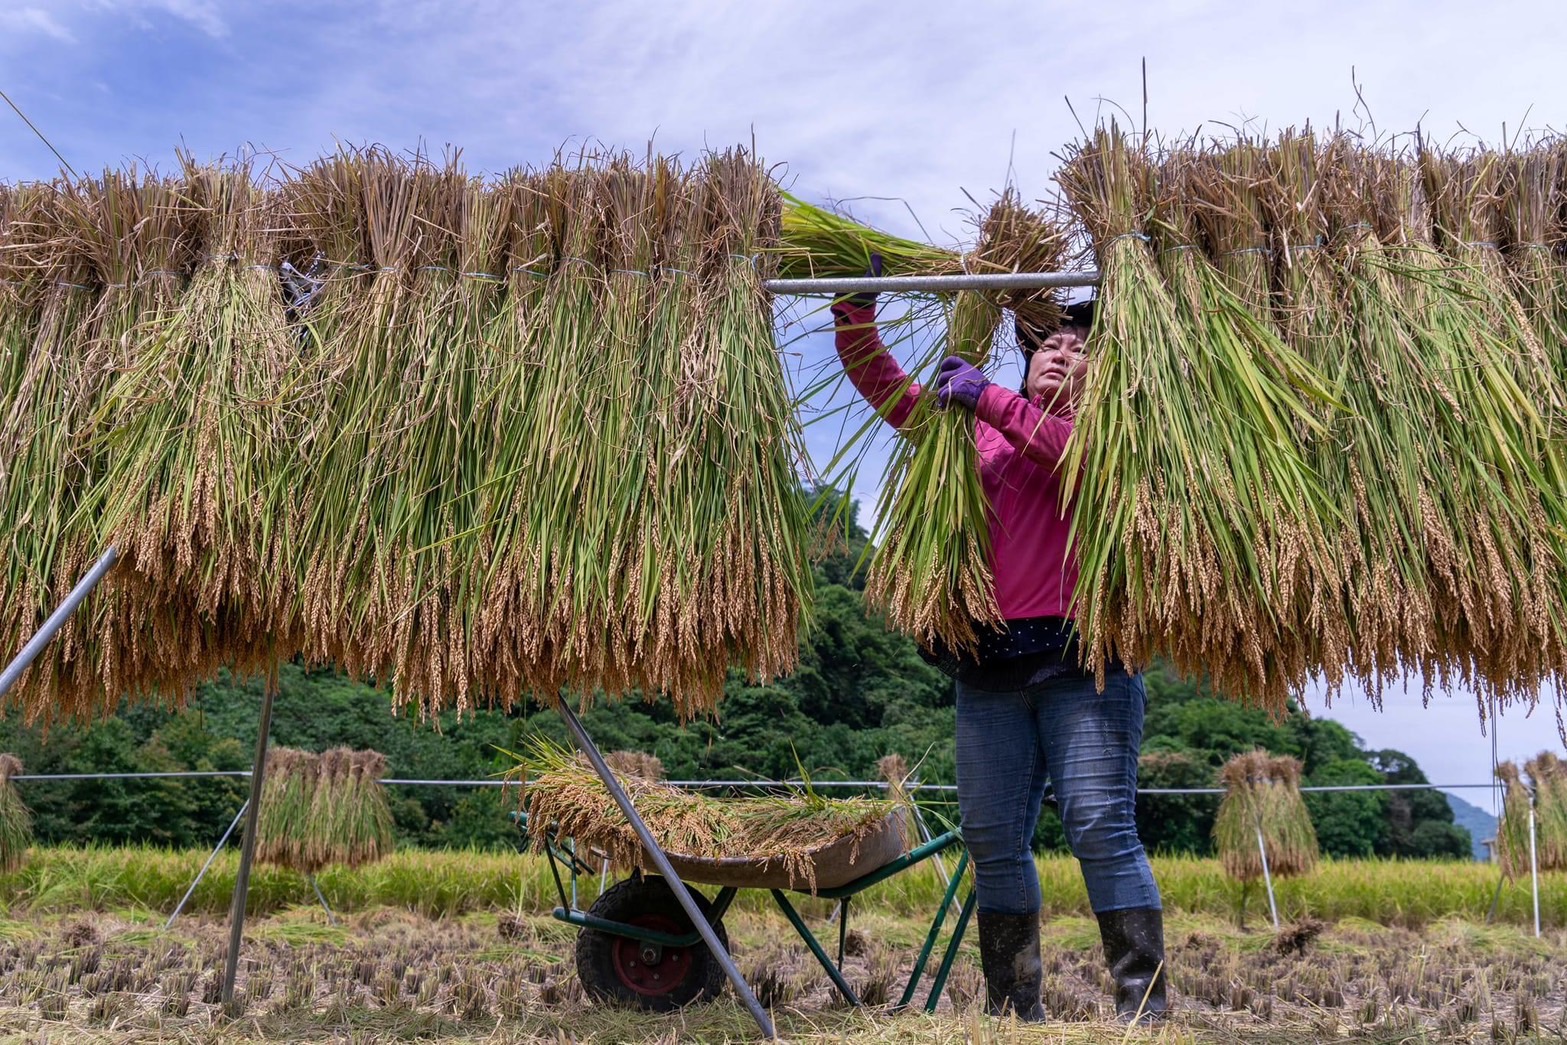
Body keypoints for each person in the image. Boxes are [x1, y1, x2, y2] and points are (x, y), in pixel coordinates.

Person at [830, 272, 1167, 1024]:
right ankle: (1014, 1010)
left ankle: (1141, 1012)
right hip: (988, 666)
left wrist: (990, 396)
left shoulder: (1114, 436)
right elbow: (884, 387)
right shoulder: (973, 430)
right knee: (990, 836)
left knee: (1097, 822)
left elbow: (1077, 461)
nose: (1059, 351)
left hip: (1086, 663)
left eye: (1079, 347)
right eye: (1049, 341)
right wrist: (854, 308)